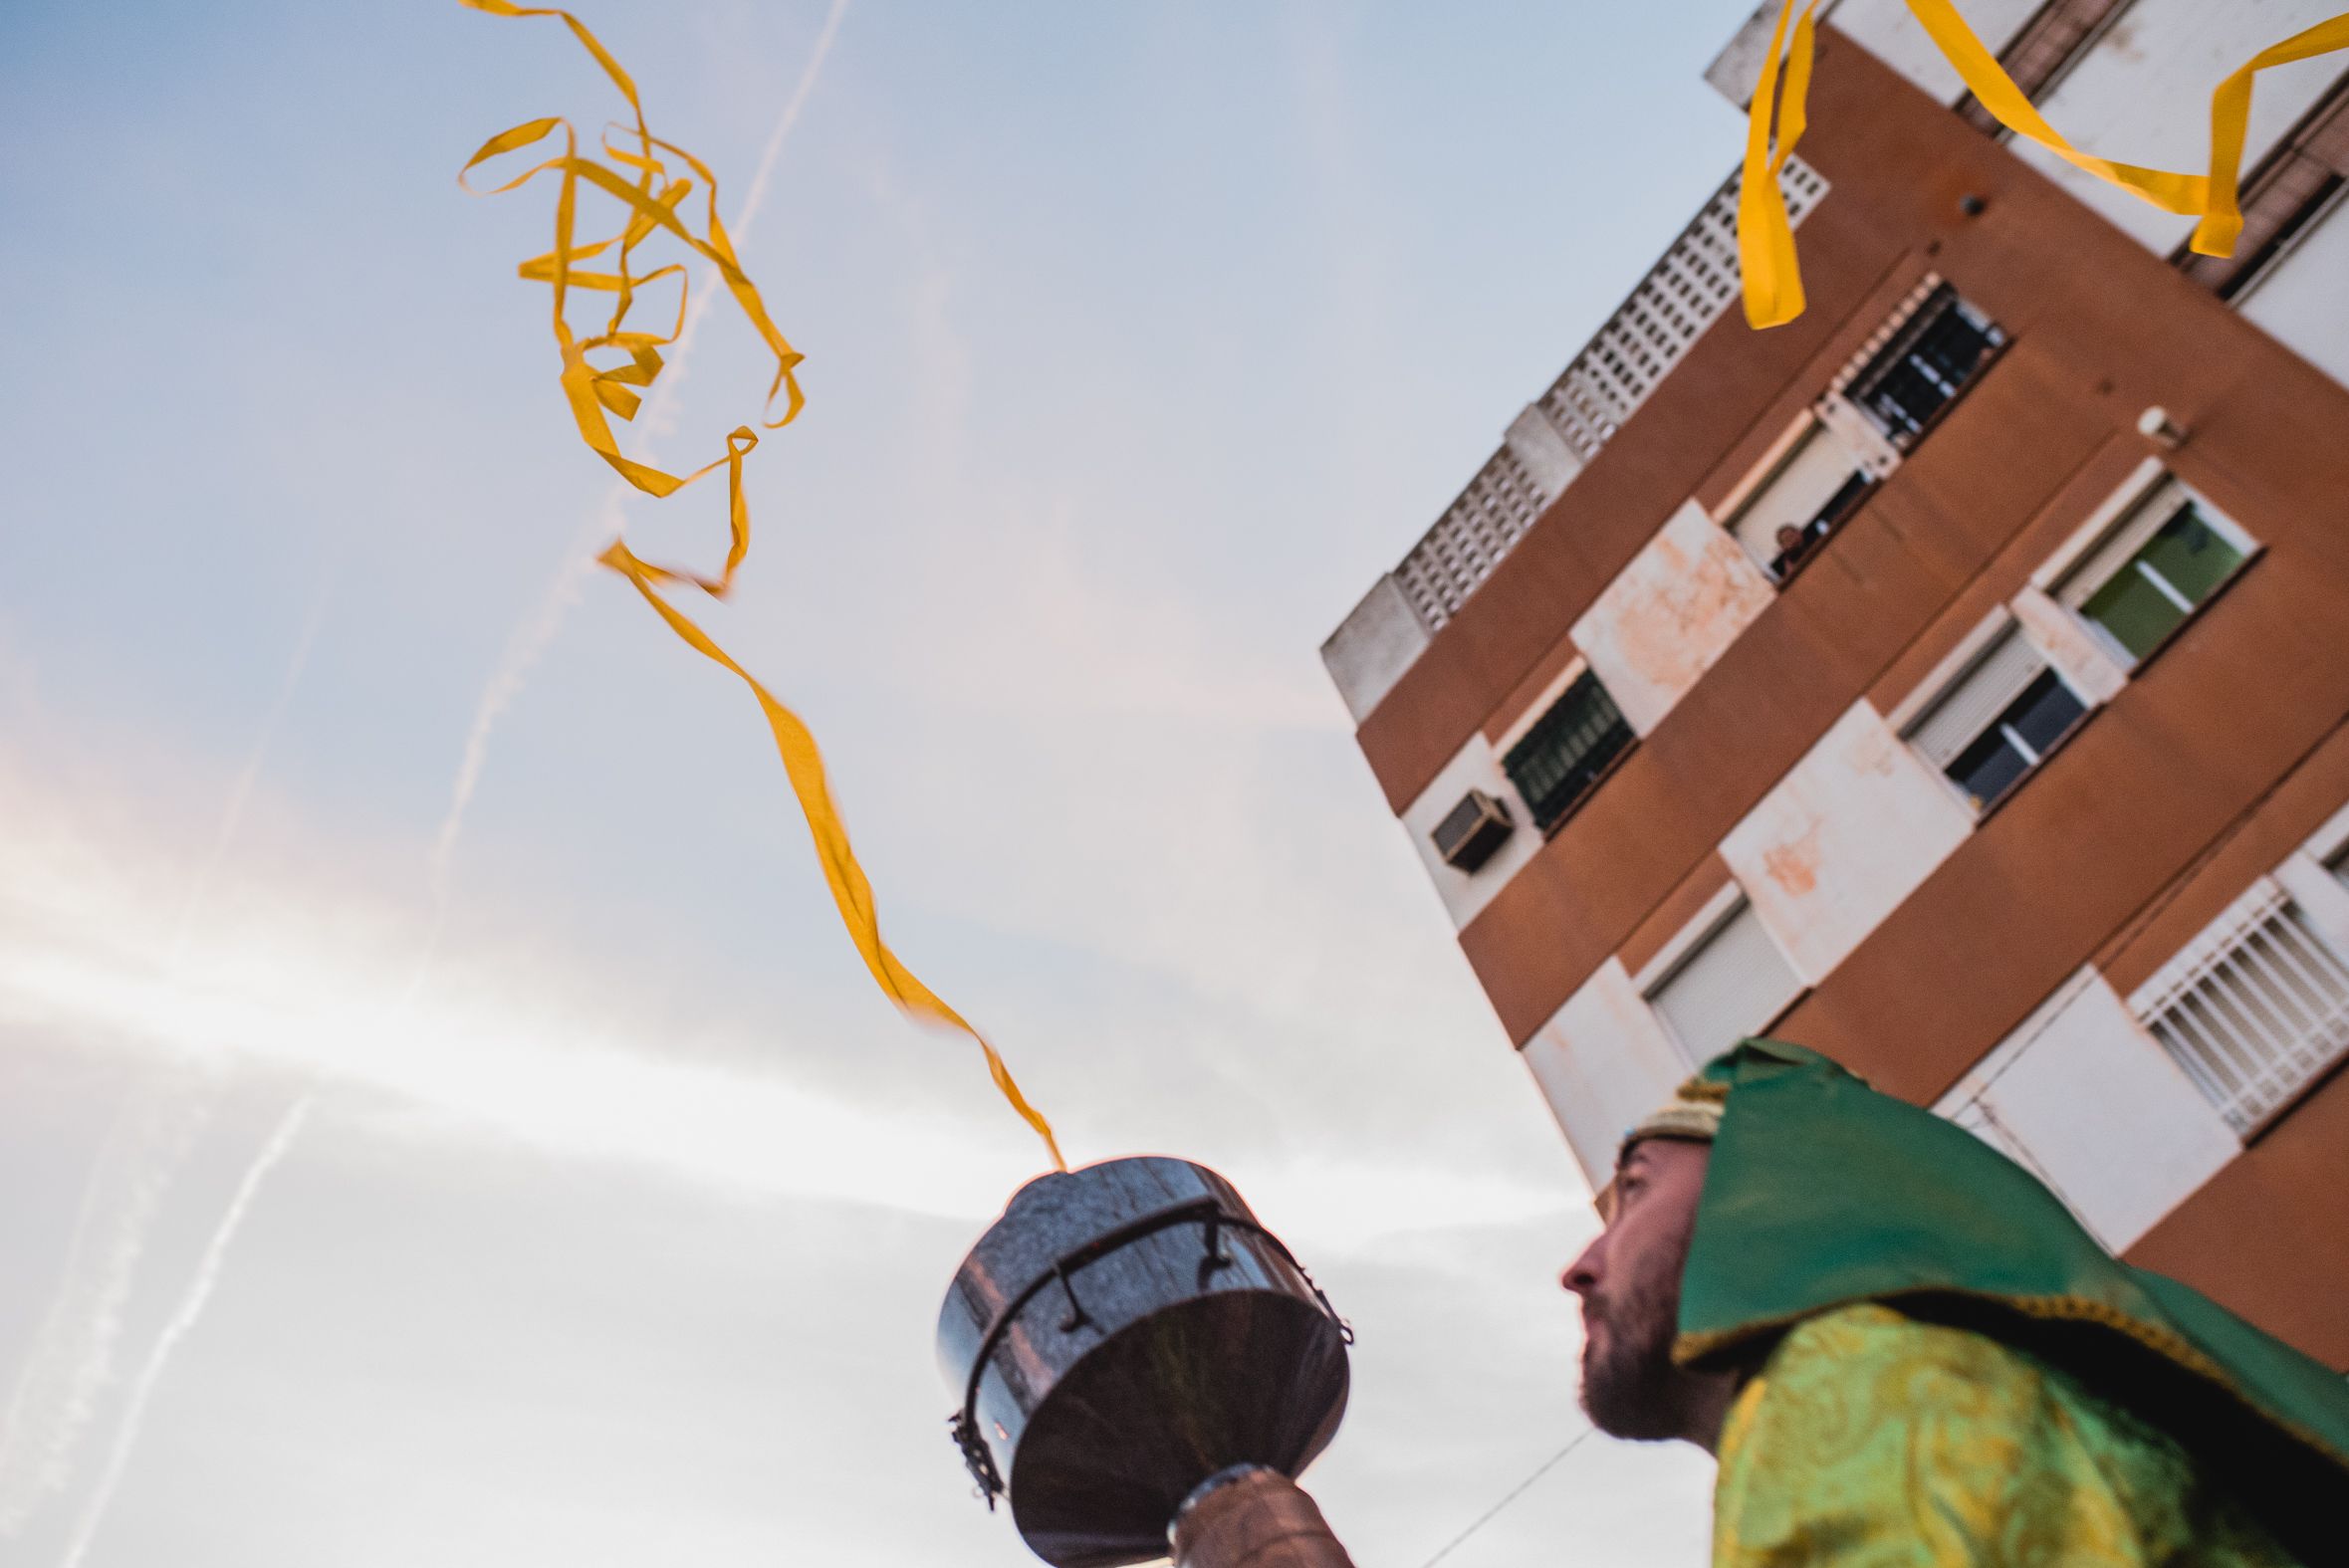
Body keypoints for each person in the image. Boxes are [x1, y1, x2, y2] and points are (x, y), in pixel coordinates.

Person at [1561, 1039, 2349, 1565]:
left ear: (1770, 1203)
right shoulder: (1927, 1382)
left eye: (1634, 1189)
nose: (1580, 1267)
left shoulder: (1846, 1386)